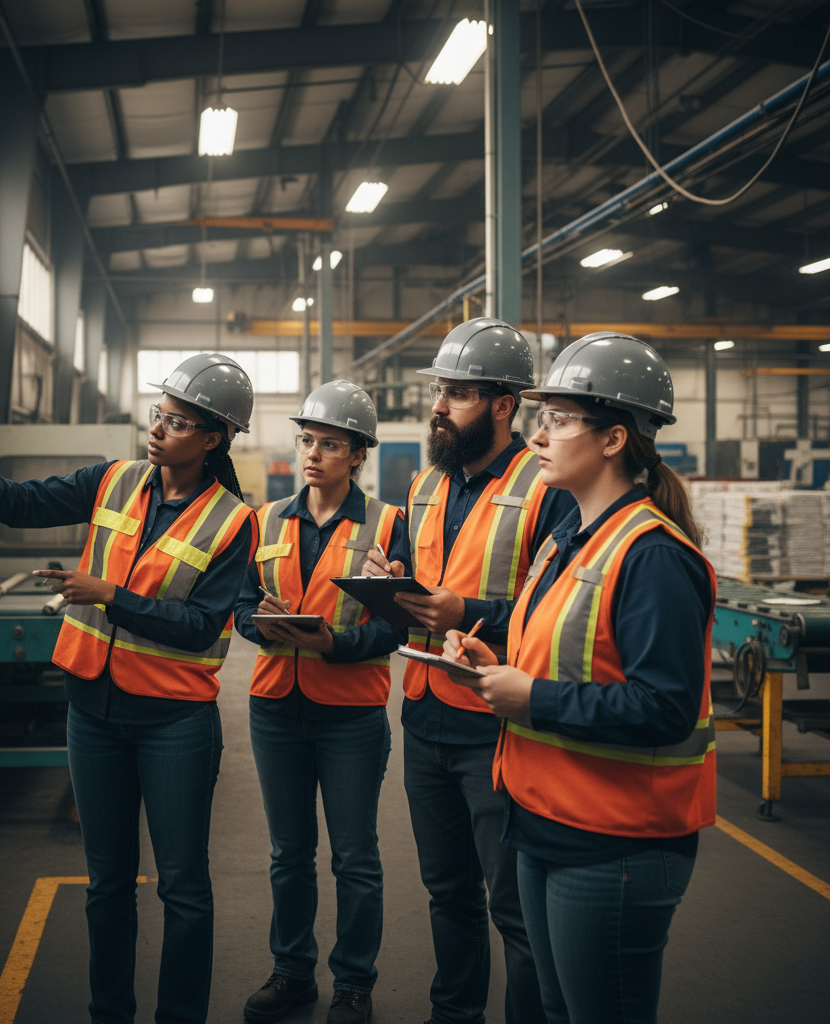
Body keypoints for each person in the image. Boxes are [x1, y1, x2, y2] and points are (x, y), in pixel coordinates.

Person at [0, 353, 259, 1024]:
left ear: (213, 439)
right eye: (159, 414)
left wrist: (109, 596)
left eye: (178, 422)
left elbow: (199, 627)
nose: (158, 428)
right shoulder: (115, 481)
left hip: (174, 722)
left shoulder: (231, 522)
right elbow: (22, 503)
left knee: (183, 888)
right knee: (107, 886)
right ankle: (109, 1014)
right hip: (91, 712)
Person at [443, 332, 716, 1024]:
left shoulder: (652, 556)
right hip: (544, 821)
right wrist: (495, 668)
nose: (539, 436)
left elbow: (665, 708)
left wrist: (530, 698)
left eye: (558, 420)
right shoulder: (569, 542)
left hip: (617, 841)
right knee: (556, 1008)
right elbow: (564, 656)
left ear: (614, 438)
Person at [363, 319, 576, 1024]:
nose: (439, 406)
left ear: (503, 404)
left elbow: (560, 611)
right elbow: (429, 587)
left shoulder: (547, 488)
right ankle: (454, 1014)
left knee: (512, 906)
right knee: (446, 891)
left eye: (457, 393)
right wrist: (393, 585)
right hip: (423, 716)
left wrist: (467, 609)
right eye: (440, 393)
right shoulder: (425, 484)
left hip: (495, 724)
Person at [233, 381, 410, 1024]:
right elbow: (240, 603)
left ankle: (354, 982)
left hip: (350, 712)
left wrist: (337, 642)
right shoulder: (267, 519)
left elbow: (400, 625)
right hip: (276, 705)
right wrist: (261, 625)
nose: (312, 453)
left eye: (329, 443)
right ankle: (291, 972)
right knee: (288, 853)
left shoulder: (388, 526)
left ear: (358, 454)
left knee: (354, 855)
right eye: (307, 439)